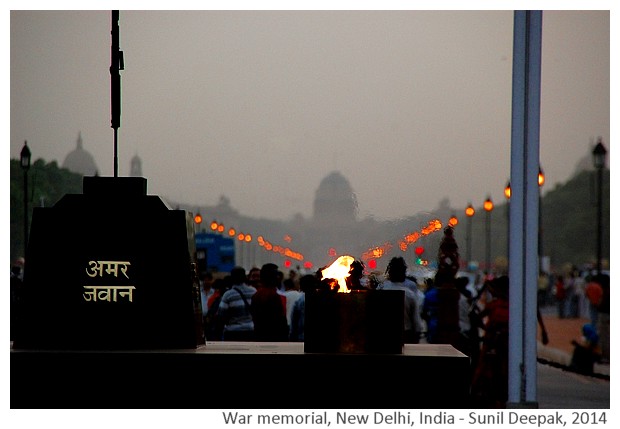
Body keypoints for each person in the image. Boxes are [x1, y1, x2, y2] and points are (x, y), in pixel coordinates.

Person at [471, 276, 510, 408]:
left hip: (493, 344)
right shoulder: (513, 305)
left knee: (488, 370)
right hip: (503, 345)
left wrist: (486, 329)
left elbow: (477, 318)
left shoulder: (495, 305)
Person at [377, 256, 423, 344]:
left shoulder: (381, 290)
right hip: (405, 335)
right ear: (403, 273)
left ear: (390, 273)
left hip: (384, 335)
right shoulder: (410, 294)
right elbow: (416, 321)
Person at [251, 263, 289, 342]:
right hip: (274, 337)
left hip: (259, 336)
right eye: (275, 275)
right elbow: (280, 320)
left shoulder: (256, 295)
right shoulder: (273, 296)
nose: (278, 277)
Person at [217, 266, 256, 341]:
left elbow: (221, 316)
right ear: (245, 277)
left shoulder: (228, 295)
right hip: (250, 332)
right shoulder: (253, 291)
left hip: (233, 333)